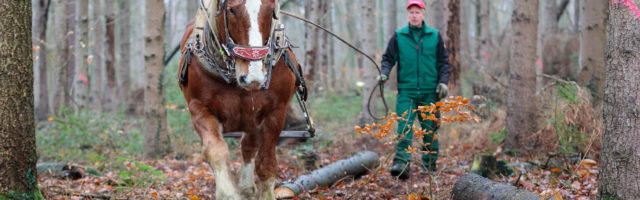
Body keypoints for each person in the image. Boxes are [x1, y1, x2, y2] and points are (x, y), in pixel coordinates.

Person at [378, 0, 450, 180]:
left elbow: (444, 63)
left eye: (417, 12)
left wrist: (443, 82)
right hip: (406, 92)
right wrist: (384, 73)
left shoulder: (434, 35)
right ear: (408, 14)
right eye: (411, 12)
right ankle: (401, 165)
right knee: (404, 128)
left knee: (430, 130)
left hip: (430, 92)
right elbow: (388, 58)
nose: (414, 15)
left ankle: (430, 167)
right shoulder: (399, 36)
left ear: (423, 14)